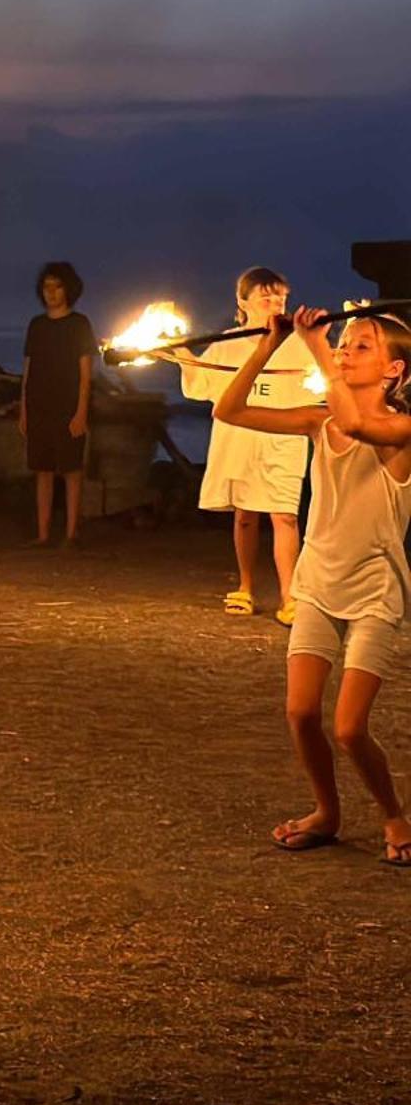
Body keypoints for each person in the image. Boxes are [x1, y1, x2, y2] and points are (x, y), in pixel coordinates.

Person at [214, 307, 411, 867]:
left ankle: (394, 814)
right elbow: (229, 410)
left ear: (394, 370)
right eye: (344, 342)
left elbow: (358, 426)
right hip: (320, 581)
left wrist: (316, 344)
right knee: (301, 713)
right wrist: (270, 345)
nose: (346, 351)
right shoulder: (317, 420)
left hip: (376, 588)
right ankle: (327, 813)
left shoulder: (401, 429)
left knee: (349, 727)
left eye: (361, 346)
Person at [171, 267, 311, 620]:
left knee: (284, 515)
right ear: (242, 301)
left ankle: (289, 595)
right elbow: (200, 386)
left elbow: (320, 387)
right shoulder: (227, 342)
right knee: (245, 514)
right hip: (239, 439)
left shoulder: (300, 343)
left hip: (283, 438)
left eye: (280, 297)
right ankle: (246, 586)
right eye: (266, 297)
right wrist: (183, 355)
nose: (274, 304)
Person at [19, 261, 95, 548]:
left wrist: (81, 412)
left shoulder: (79, 324)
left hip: (67, 405)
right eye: (46, 287)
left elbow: (86, 374)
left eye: (57, 286)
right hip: (39, 404)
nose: (51, 293)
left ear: (68, 289)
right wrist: (23, 409)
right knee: (43, 470)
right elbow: (27, 370)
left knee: (72, 470)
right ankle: (43, 534)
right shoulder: (36, 325)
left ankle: (71, 533)